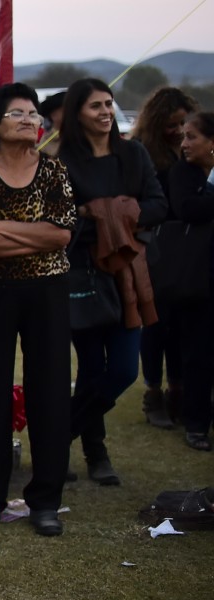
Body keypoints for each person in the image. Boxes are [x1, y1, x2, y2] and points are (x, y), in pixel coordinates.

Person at [0, 82, 77, 536]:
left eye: (33, 114)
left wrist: (1, 229)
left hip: (48, 290)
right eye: (17, 113)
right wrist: (35, 235)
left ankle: (45, 501)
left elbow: (62, 235)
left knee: (50, 390)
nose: (29, 120)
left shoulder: (53, 170)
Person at [59, 78, 167, 486]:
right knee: (90, 369)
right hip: (84, 275)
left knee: (122, 371)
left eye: (109, 103)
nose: (105, 112)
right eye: (95, 106)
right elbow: (65, 222)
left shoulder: (133, 153)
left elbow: (158, 205)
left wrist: (108, 212)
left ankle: (59, 436)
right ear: (77, 113)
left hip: (130, 275)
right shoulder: (64, 162)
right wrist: (98, 221)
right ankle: (97, 453)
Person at [132, 88, 200, 429]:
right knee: (155, 322)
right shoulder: (142, 152)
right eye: (171, 124)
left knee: (179, 323)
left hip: (187, 249)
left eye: (183, 123)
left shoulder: (192, 150)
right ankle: (153, 392)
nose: (177, 130)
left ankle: (178, 389)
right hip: (154, 246)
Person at [166, 111, 214, 450]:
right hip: (197, 277)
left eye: (191, 136)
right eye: (184, 136)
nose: (184, 143)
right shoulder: (182, 172)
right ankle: (195, 424)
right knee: (198, 352)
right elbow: (188, 209)